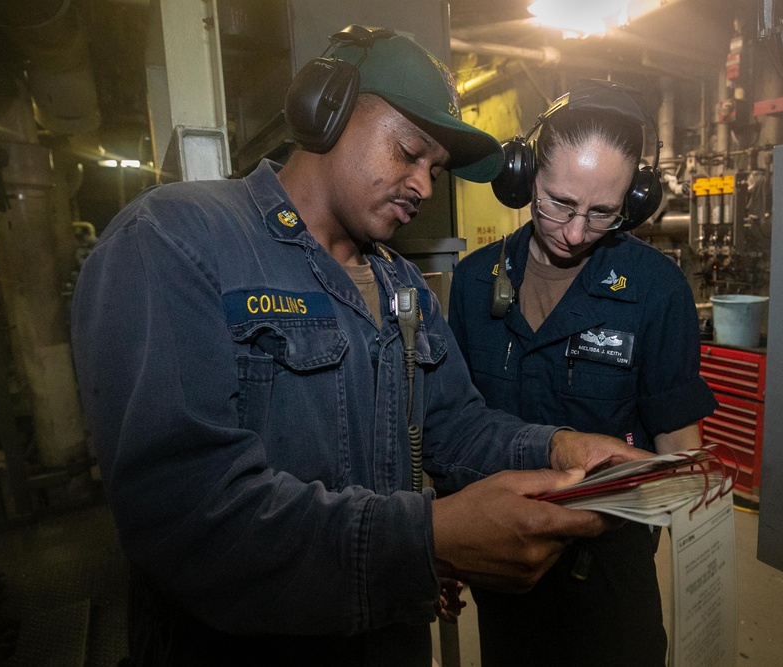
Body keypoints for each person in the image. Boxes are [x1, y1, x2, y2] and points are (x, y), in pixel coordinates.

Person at [70, 30, 647, 667]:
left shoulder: (405, 287)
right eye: (408, 152)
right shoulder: (178, 241)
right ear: (328, 107)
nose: (425, 186)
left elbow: (455, 428)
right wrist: (429, 541)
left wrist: (559, 445)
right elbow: (186, 515)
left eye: (435, 168)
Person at [448, 79, 719, 666]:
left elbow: (678, 449)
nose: (574, 233)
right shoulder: (472, 284)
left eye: (603, 214)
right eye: (559, 203)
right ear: (524, 178)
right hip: (507, 577)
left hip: (611, 582)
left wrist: (702, 578)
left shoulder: (657, 291)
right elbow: (455, 429)